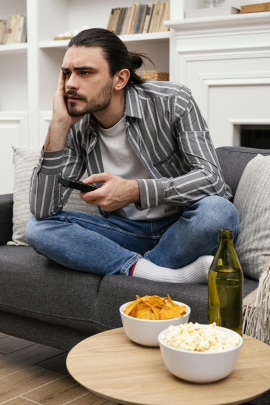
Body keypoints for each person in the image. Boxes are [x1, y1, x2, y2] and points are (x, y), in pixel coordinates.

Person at [25, 28, 239, 283]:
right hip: (124, 232)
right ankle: (160, 274)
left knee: (218, 213)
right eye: (66, 73)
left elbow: (212, 180)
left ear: (120, 79)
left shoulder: (173, 101)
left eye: (85, 72)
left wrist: (134, 190)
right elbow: (42, 209)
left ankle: (133, 269)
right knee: (38, 228)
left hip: (180, 226)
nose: (70, 83)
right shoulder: (76, 124)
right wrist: (58, 125)